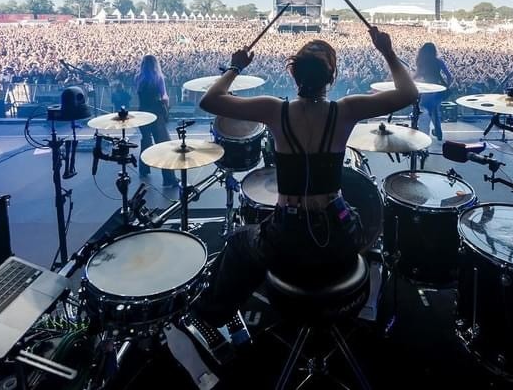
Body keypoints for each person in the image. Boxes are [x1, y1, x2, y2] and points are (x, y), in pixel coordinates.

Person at [188, 27, 417, 356]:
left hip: (288, 236)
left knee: (240, 242)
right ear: (331, 76)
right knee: (359, 217)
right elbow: (409, 94)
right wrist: (387, 51)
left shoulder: (274, 110)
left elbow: (209, 100)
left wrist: (235, 66)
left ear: (294, 75)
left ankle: (212, 316)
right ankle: (363, 302)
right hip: (339, 236)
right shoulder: (346, 110)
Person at [135, 55, 178, 187]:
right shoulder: (158, 78)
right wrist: (166, 104)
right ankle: (169, 179)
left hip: (143, 113)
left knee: (146, 141)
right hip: (156, 114)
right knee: (164, 145)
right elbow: (164, 96)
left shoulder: (138, 77)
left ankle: (143, 170)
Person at [415, 42, 453, 140]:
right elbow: (449, 76)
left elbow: (418, 75)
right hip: (438, 89)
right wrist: (446, 87)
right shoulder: (438, 61)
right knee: (435, 111)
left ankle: (423, 134)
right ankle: (438, 133)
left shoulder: (421, 61)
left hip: (426, 89)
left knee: (423, 110)